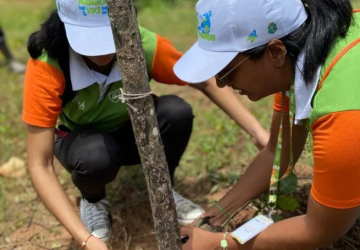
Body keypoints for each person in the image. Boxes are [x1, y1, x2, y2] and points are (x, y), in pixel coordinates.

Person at [23, 0, 269, 249]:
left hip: (132, 133)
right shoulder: (48, 64)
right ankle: (93, 200)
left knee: (176, 112)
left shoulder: (141, 42)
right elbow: (39, 164)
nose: (102, 52)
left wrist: (259, 133)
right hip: (82, 143)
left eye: (109, 37)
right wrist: (86, 240)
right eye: (90, 41)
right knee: (94, 155)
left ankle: (164, 188)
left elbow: (203, 81)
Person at [174, 0, 360, 249]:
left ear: (275, 52)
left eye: (227, 72)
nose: (219, 84)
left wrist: (222, 244)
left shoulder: (344, 112)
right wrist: (217, 213)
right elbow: (278, 150)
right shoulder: (297, 59)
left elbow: (319, 230)